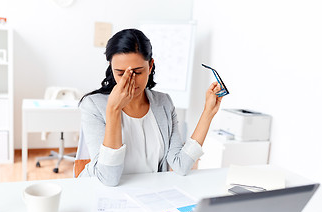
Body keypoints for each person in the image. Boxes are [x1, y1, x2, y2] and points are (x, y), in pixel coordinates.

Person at [78, 29, 223, 186]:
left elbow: (181, 165)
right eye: (120, 73)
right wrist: (113, 110)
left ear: (150, 65)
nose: (130, 81)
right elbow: (108, 178)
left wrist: (208, 112)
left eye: (138, 72)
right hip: (101, 194)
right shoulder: (93, 106)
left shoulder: (164, 103)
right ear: (111, 67)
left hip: (148, 195)